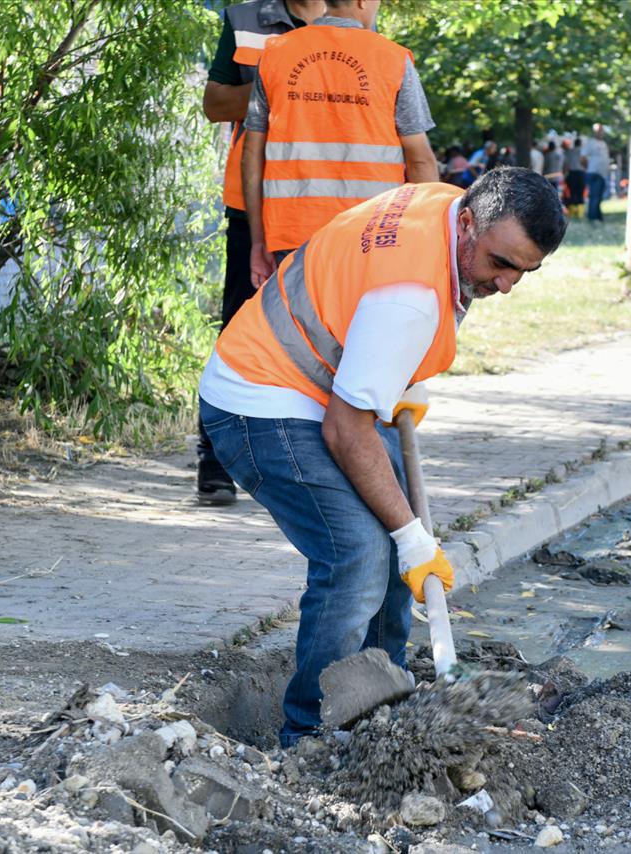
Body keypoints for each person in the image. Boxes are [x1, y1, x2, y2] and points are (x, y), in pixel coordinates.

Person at [198, 168, 567, 745]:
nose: (508, 284)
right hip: (259, 402)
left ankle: (380, 709)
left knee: (395, 544)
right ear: (468, 223)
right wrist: (414, 539)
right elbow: (347, 430)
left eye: (526, 270)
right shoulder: (410, 301)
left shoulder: (447, 207)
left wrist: (393, 376)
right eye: (501, 263)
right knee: (362, 552)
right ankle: (312, 735)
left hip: (319, 385)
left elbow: (364, 306)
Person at [198, 0, 326, 505]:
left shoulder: (352, 18)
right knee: (237, 327)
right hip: (254, 202)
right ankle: (214, 458)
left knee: (323, 333)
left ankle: (308, 458)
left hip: (328, 203)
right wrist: (284, 79)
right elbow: (213, 104)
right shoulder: (243, 18)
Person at [242, 0, 439, 289]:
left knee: (299, 329)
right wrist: (422, 237)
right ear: (362, 1)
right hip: (372, 234)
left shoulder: (276, 53)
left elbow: (251, 156)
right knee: (359, 329)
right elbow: (420, 161)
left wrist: (258, 241)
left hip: (292, 234)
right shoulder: (392, 59)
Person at [580, 123, 610, 222]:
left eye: (601, 130)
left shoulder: (604, 143)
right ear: (594, 132)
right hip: (594, 173)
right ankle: (593, 218)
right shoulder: (591, 143)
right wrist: (589, 168)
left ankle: (597, 216)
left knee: (599, 197)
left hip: (602, 174)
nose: (600, 132)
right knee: (594, 197)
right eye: (598, 130)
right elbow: (583, 158)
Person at [563, 136, 585, 216]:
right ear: (581, 144)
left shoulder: (569, 152)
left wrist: (564, 175)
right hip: (581, 173)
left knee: (572, 192)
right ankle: (580, 213)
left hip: (571, 173)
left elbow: (565, 165)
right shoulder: (583, 151)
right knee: (580, 192)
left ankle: (572, 212)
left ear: (574, 144)